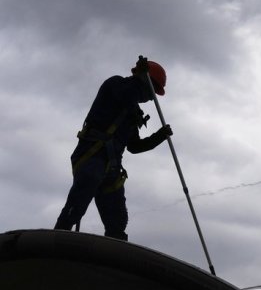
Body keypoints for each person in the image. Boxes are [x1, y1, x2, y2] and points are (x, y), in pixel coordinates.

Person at [54, 57, 173, 240]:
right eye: (153, 90)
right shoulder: (116, 84)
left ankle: (115, 245)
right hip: (92, 155)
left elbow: (134, 146)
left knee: (117, 219)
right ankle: (60, 236)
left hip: (112, 167)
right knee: (80, 199)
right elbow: (126, 96)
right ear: (143, 80)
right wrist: (140, 77)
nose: (151, 97)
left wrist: (159, 136)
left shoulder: (134, 112)